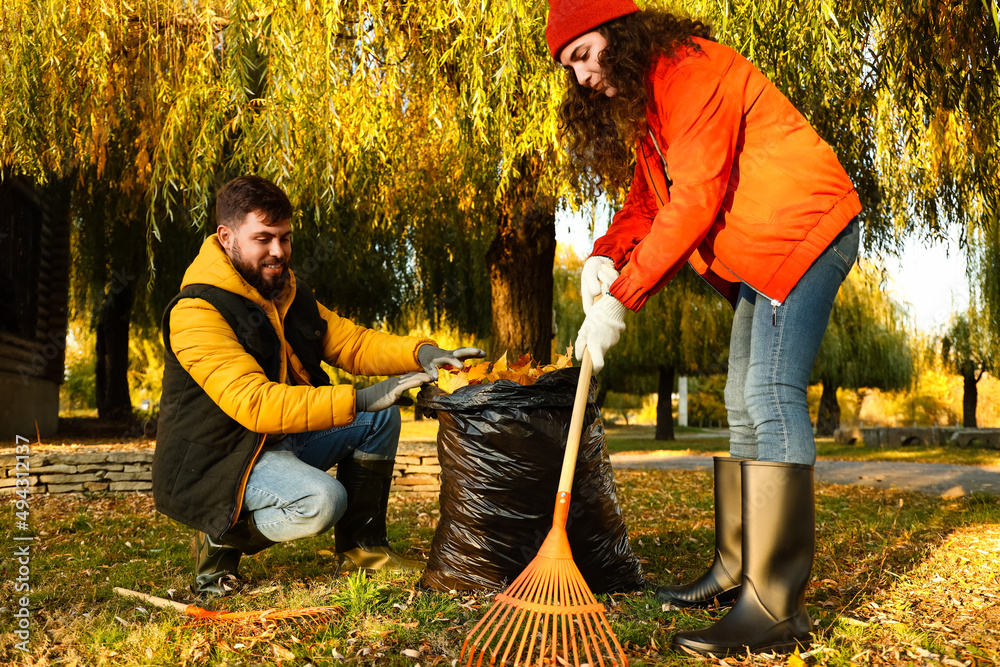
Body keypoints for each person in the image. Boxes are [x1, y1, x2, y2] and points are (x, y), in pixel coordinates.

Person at [545, 0, 861, 657]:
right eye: (567, 66)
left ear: (618, 31)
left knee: (770, 395)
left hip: (801, 229)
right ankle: (735, 571)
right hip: (762, 252)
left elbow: (695, 194)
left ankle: (775, 604)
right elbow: (647, 199)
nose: (579, 77)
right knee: (742, 402)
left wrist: (621, 300)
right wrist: (607, 254)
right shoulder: (650, 101)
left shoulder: (689, 69)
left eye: (582, 55)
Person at [152, 175, 483, 596]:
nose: (279, 252)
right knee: (324, 501)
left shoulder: (284, 290)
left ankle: (364, 550)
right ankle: (218, 535)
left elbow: (351, 341)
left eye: (285, 238)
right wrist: (360, 396)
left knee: (377, 419)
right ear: (226, 236)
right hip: (223, 459)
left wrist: (421, 353)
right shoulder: (196, 312)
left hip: (276, 438)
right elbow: (255, 402)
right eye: (264, 239)